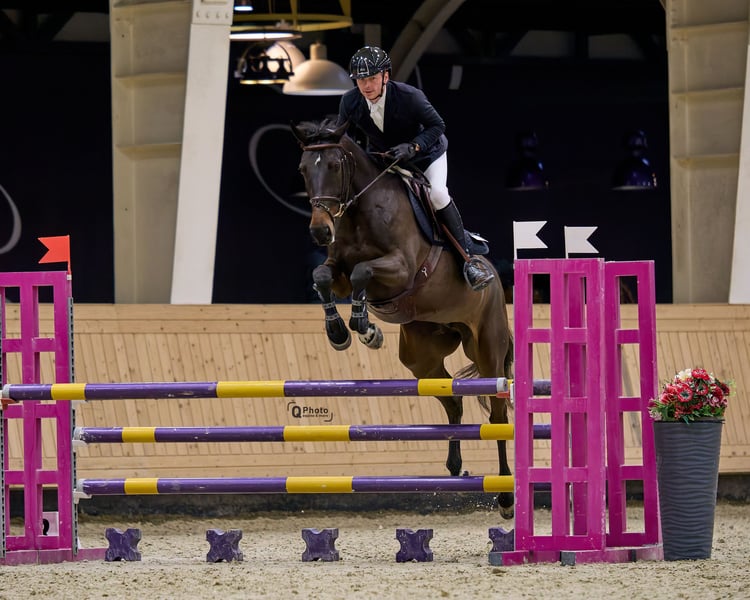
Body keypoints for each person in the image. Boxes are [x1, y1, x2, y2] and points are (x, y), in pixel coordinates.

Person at [337, 46, 494, 291]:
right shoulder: (350, 101)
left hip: (427, 156)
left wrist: (413, 147)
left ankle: (468, 260)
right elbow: (342, 137)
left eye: (372, 78)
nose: (366, 85)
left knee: (438, 195)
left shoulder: (409, 96)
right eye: (360, 80)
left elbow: (437, 126)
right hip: (389, 160)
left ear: (385, 76)